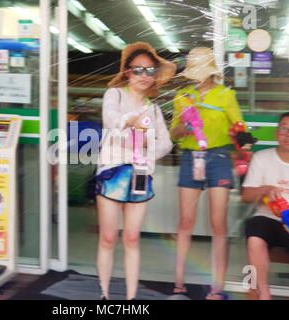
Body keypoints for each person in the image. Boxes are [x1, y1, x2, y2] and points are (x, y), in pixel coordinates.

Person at [95, 42, 175, 300]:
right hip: (112, 171)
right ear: (127, 72)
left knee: (131, 238)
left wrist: (146, 146)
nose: (144, 75)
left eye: (149, 70)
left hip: (140, 174)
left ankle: (131, 299)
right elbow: (110, 118)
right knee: (108, 237)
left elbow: (166, 143)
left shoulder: (154, 109)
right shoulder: (115, 95)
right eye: (138, 69)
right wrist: (132, 122)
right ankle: (104, 294)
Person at [170, 47, 246, 300]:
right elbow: (174, 134)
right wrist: (184, 125)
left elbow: (239, 128)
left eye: (202, 71)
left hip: (219, 158)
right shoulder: (182, 95)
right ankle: (178, 284)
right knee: (185, 223)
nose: (198, 77)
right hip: (191, 157)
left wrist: (242, 138)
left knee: (218, 225)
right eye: (195, 72)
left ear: (211, 71)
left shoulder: (226, 95)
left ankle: (217, 287)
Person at [242, 112, 289, 300]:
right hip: (267, 218)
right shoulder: (261, 158)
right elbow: (246, 196)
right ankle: (263, 292)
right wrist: (265, 189)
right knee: (254, 232)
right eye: (284, 128)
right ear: (277, 133)